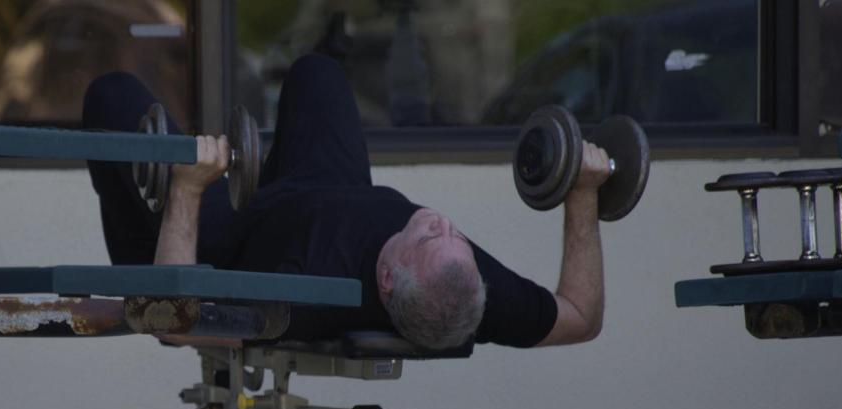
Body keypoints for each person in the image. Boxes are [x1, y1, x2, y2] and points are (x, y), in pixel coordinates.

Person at [83, 54, 610, 350]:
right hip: (328, 184)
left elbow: (177, 327)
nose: (443, 223)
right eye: (455, 237)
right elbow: (581, 316)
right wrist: (583, 194)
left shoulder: (308, 299)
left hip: (229, 237)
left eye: (429, 234)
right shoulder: (462, 288)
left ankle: (136, 260)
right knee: (319, 72)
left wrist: (188, 188)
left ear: (386, 279)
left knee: (112, 93)